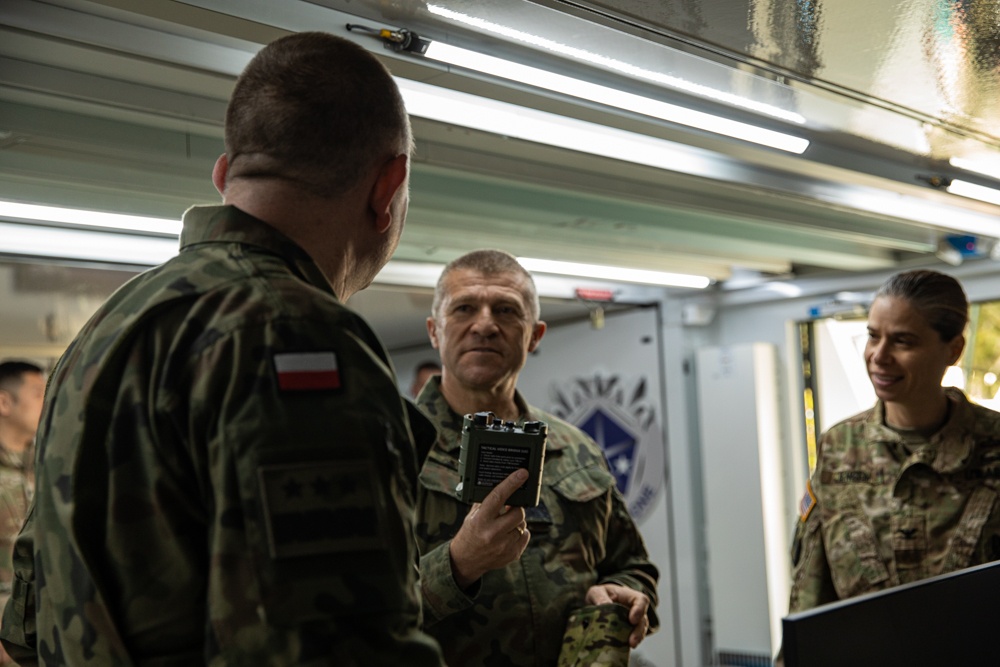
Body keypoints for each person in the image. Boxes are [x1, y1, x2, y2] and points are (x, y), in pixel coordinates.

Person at [0, 32, 446, 666]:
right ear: (388, 186)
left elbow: (26, 623)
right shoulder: (293, 333)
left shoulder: (107, 329)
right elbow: (340, 647)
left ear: (224, 174)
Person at [413, 248, 659, 666]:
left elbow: (633, 564)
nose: (486, 324)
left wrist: (624, 592)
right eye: (465, 308)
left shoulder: (575, 448)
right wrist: (458, 565)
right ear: (435, 331)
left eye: (507, 310)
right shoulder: (393, 446)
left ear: (535, 335)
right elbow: (349, 617)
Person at [788, 269, 1000, 613]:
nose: (879, 356)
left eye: (903, 341)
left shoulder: (992, 443)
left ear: (953, 350)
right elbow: (810, 592)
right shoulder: (839, 447)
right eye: (873, 336)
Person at [0, 361, 44, 666]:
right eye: (39, 393)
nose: (49, 400)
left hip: (46, 628)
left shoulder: (49, 463)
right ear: (4, 402)